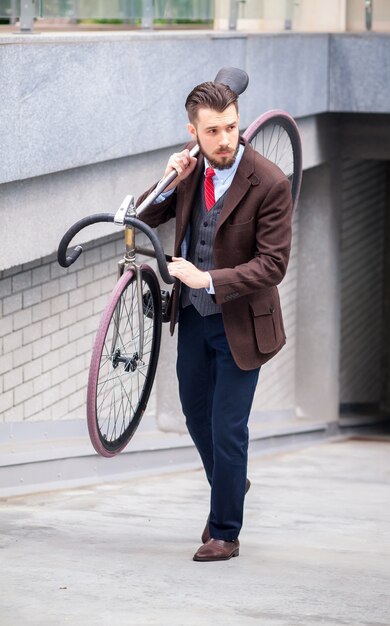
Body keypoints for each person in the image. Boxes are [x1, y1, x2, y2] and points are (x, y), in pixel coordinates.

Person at [136, 81, 293, 562]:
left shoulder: (269, 182)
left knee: (228, 428)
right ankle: (232, 481)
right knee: (195, 414)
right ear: (194, 132)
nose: (225, 139)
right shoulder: (189, 172)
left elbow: (273, 264)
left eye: (231, 127)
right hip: (193, 316)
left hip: (243, 322)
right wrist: (167, 178)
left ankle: (225, 530)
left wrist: (207, 278)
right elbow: (144, 215)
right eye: (213, 131)